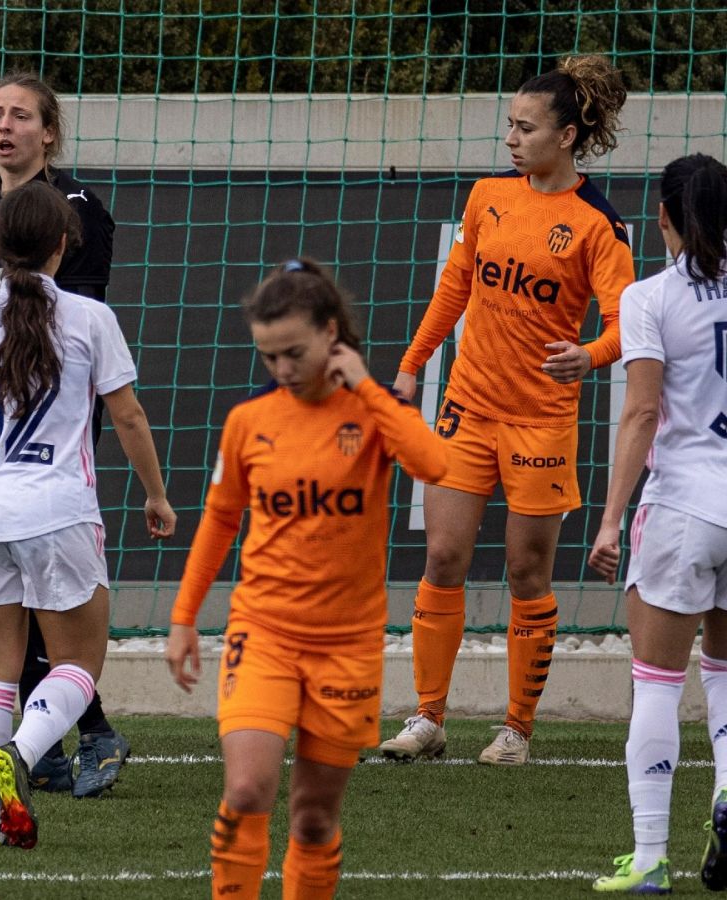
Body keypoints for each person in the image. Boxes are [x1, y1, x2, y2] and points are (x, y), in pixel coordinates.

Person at [379, 54, 635, 766]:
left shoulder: (596, 226)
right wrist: (410, 366)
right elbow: (454, 288)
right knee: (443, 555)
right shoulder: (488, 195)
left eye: (525, 128)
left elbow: (625, 324)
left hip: (541, 421)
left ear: (567, 135)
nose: (512, 139)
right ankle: (428, 717)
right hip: (469, 407)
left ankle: (517, 728)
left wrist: (589, 355)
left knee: (526, 574)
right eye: (509, 126)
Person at [166, 259, 448, 899]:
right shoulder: (249, 422)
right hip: (262, 633)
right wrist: (184, 618)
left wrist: (371, 389)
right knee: (245, 791)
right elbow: (218, 522)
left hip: (347, 646)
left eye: (294, 353)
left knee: (315, 819)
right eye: (269, 358)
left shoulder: (373, 413)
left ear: (332, 334)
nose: (283, 371)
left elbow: (435, 463)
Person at [0, 181, 174, 848]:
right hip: (58, 512)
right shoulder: (88, 318)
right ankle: (22, 757)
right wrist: (156, 494)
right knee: (79, 664)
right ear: (63, 244)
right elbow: (129, 415)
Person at [0, 70, 127, 798]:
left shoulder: (78, 209)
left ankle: (90, 730)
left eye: (21, 116)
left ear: (49, 133)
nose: (4, 127)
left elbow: (76, 319)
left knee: (49, 593)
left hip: (55, 420)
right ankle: (41, 743)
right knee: (5, 593)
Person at [586, 153, 727, 894]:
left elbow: (642, 411)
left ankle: (648, 857)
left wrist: (611, 520)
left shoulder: (650, 296)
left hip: (684, 506)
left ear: (664, 217)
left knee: (659, 682)